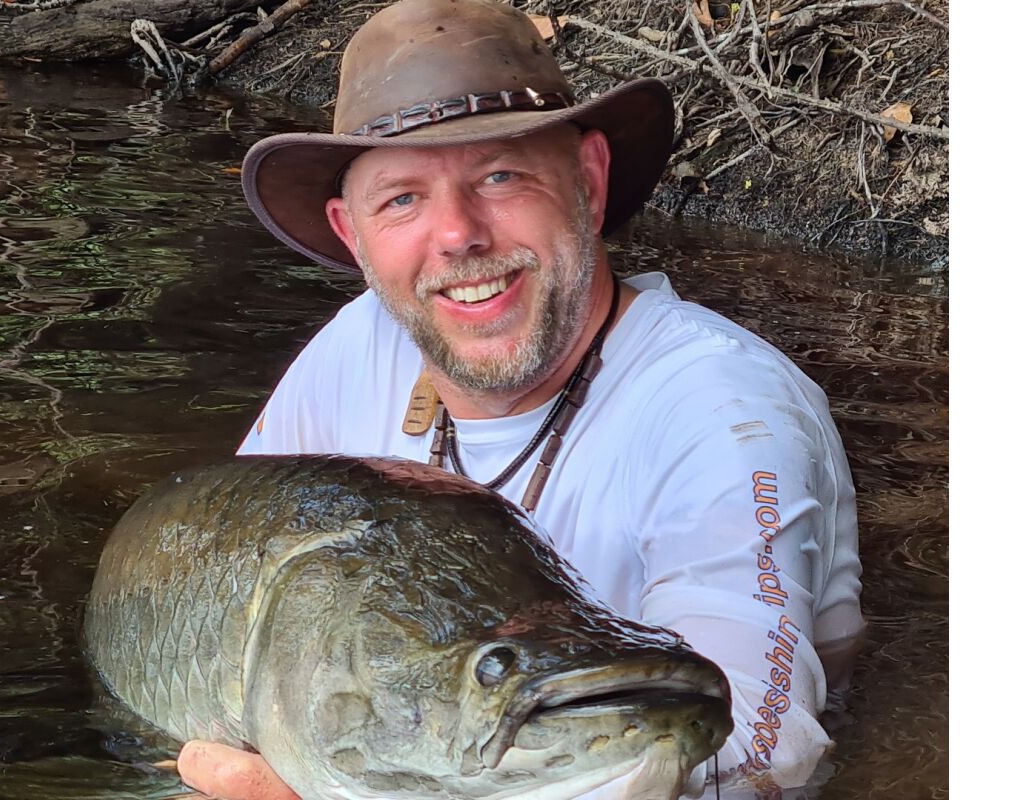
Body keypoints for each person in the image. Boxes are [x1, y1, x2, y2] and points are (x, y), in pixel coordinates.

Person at [178, 0, 864, 797]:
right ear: (352, 235)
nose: (457, 235)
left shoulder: (725, 409)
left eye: (500, 176)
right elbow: (221, 577)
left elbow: (757, 750)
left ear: (589, 182)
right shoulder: (360, 344)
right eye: (401, 199)